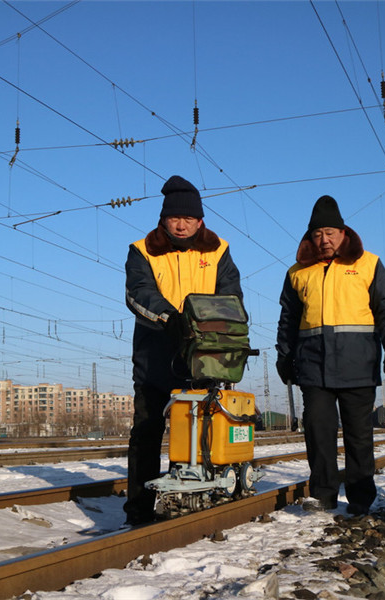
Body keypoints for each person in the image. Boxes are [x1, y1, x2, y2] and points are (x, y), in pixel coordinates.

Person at [124, 174, 243, 525]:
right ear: (163, 219)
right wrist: (169, 317)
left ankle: (195, 501)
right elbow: (138, 292)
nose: (181, 225)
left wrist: (223, 333)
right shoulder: (142, 250)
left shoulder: (218, 249)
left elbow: (231, 295)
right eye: (174, 218)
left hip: (203, 356)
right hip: (154, 353)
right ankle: (139, 509)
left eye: (188, 219)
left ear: (200, 220)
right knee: (146, 431)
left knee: (199, 431)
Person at [276, 195, 385, 515]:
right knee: (318, 431)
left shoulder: (368, 264)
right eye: (317, 234)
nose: (324, 240)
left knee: (358, 436)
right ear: (310, 237)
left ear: (343, 232)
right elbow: (288, 319)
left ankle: (361, 498)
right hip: (313, 366)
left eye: (330, 233)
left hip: (357, 363)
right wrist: (284, 355)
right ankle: (323, 494)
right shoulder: (297, 273)